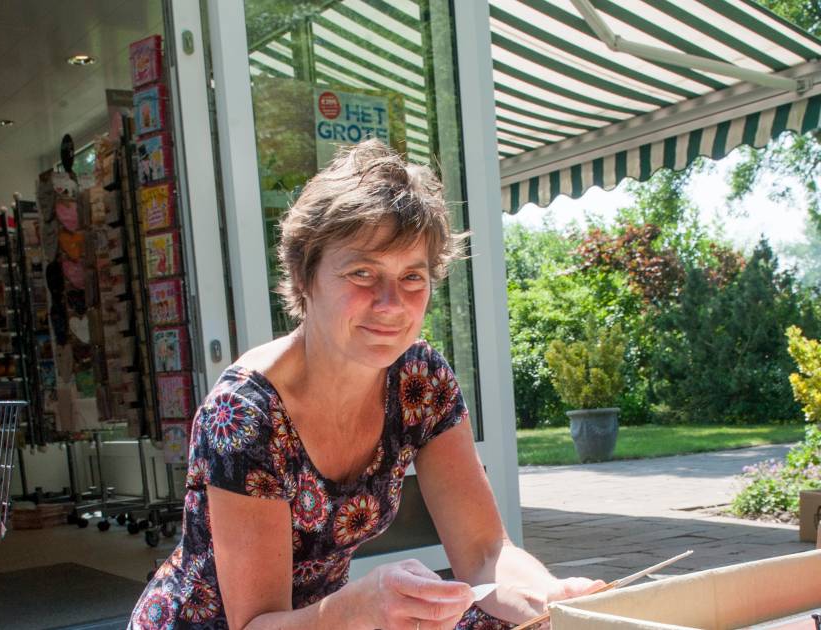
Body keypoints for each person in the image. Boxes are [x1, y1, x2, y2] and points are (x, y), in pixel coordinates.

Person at [130, 140, 602, 630]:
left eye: (412, 277)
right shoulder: (245, 413)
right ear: (304, 276)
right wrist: (356, 610)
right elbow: (255, 624)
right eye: (362, 273)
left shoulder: (420, 380)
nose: (391, 303)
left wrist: (553, 599)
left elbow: (485, 553)